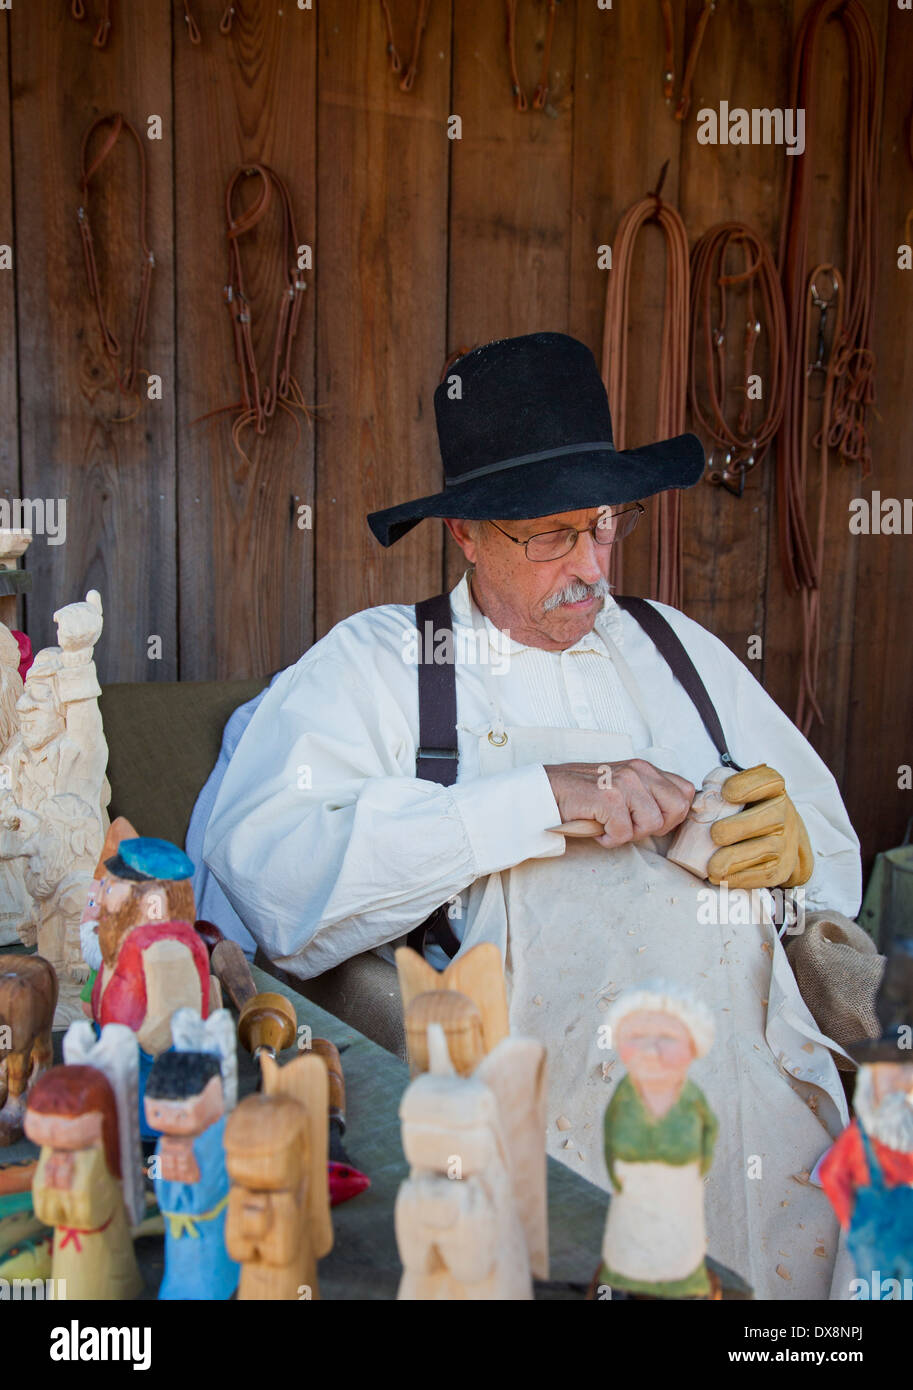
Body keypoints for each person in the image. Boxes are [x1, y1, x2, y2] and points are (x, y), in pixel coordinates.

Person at [201, 331, 862, 1298]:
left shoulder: (674, 647)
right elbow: (266, 872)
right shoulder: (382, 666)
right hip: (553, 1146)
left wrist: (797, 854)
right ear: (464, 530)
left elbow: (829, 854)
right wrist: (536, 801)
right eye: (550, 535)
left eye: (604, 523)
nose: (592, 565)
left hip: (767, 1131)